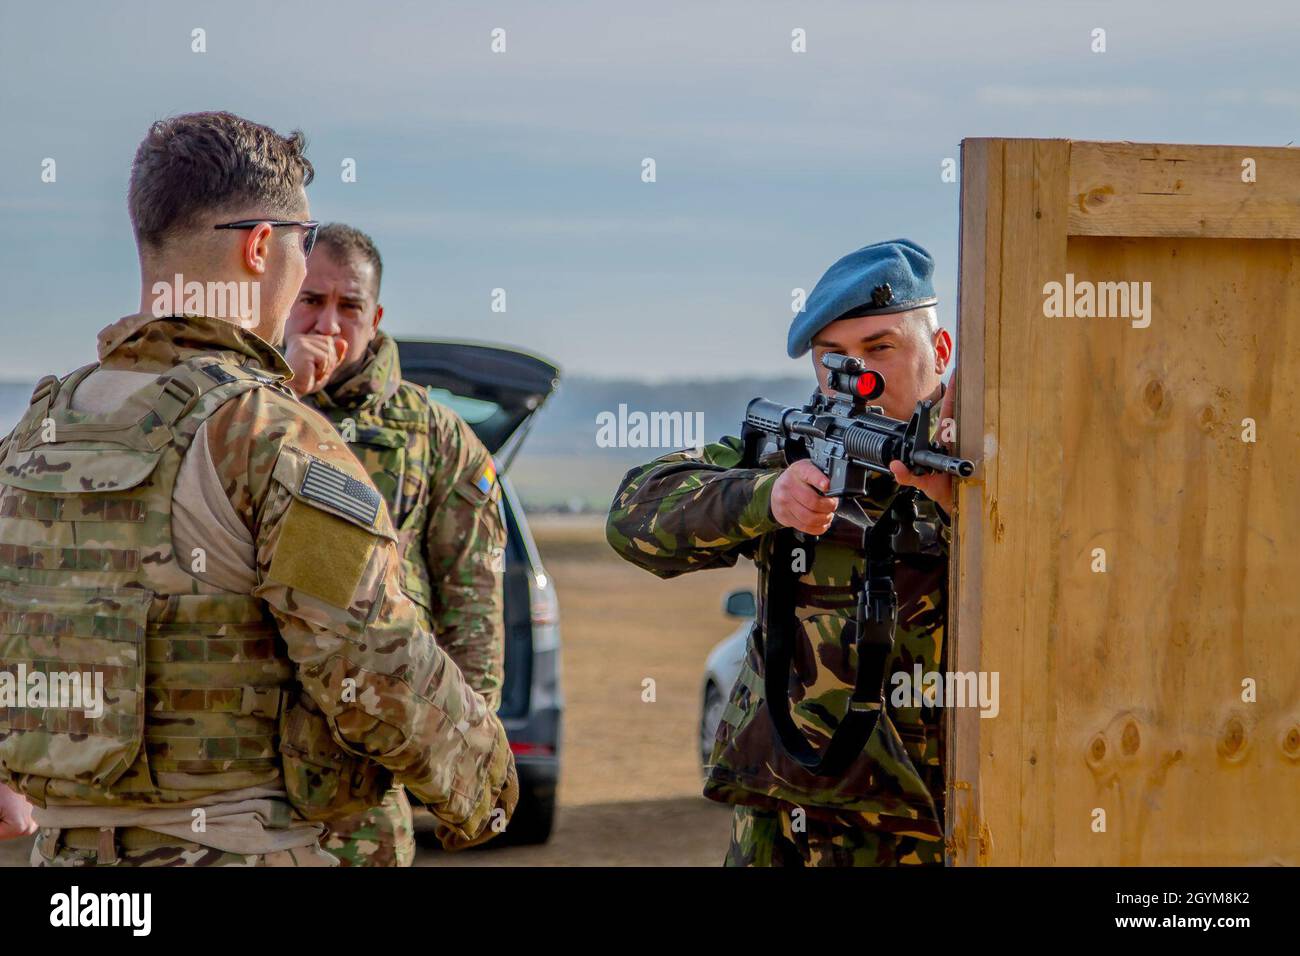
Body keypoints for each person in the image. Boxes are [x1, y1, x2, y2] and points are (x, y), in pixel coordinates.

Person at [0, 111, 516, 866]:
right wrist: (488, 791)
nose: (306, 272)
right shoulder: (271, 434)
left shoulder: (43, 426)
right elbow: (373, 664)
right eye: (304, 246)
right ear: (259, 246)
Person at [606, 239, 956, 867]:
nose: (860, 375)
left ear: (940, 350)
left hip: (927, 824)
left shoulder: (985, 461)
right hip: (784, 823)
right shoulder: (791, 451)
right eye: (835, 358)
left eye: (881, 348)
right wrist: (767, 499)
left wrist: (959, 510)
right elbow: (634, 514)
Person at [282, 223, 507, 866]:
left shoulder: (435, 435)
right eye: (311, 300)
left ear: (375, 318)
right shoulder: (243, 411)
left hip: (365, 770)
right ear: (283, 301)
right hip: (244, 759)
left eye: (348, 306)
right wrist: (282, 392)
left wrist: (463, 747)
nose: (329, 323)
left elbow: (473, 601)